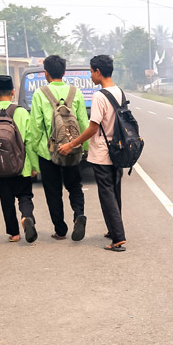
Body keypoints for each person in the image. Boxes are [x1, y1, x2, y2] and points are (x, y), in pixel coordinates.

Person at [60, 55, 126, 252]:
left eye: (91, 71)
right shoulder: (119, 92)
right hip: (119, 150)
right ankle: (113, 230)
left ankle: (119, 238)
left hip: (103, 153)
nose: (90, 75)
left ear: (98, 71)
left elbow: (92, 128)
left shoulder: (99, 96)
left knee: (106, 195)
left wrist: (72, 144)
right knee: (115, 192)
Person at [25, 54, 89, 241]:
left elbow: (35, 127)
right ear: (64, 72)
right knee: (74, 186)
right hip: (71, 148)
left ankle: (60, 229)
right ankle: (78, 215)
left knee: (53, 191)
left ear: (46, 73)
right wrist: (82, 147)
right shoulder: (75, 92)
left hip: (48, 152)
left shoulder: (39, 93)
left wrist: (35, 154)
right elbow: (83, 123)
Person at [0, 74, 38, 243]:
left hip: (1, 167)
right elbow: (30, 141)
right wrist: (34, 166)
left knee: (6, 200)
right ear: (13, 92)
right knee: (25, 196)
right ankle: (27, 216)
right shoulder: (21, 112)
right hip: (22, 166)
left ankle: (14, 233)